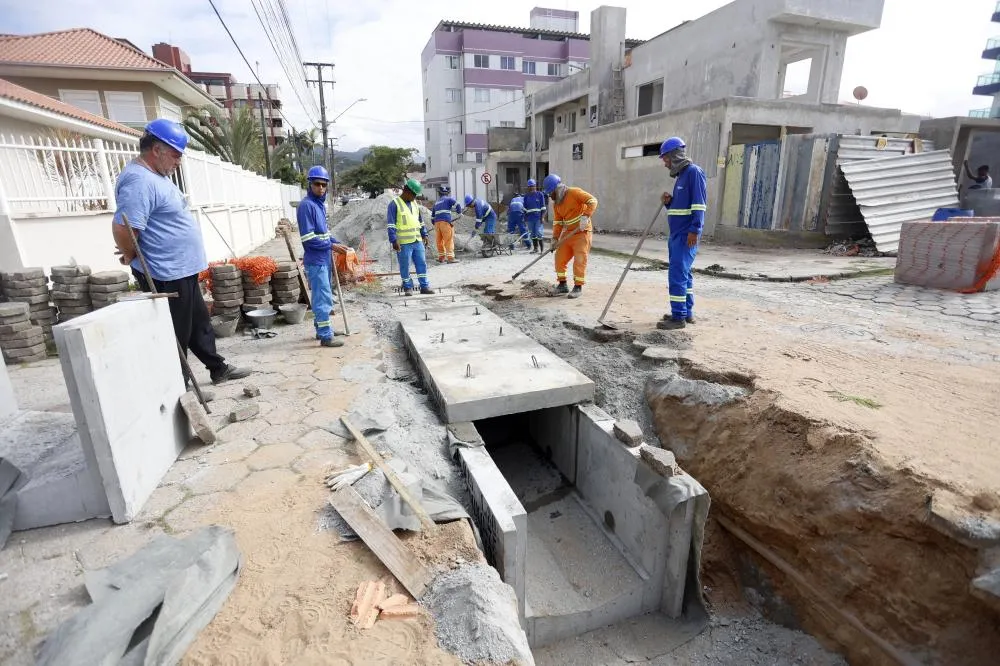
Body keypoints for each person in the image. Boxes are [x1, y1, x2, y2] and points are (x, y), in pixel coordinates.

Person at [112, 119, 250, 385]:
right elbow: (123, 227)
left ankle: (217, 368)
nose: (179, 161)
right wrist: (129, 253)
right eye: (176, 155)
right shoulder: (139, 180)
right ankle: (178, 387)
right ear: (157, 150)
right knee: (176, 332)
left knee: (199, 322)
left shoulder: (156, 176)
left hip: (180, 269)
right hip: (165, 273)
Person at [656, 136, 707, 330]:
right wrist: (669, 203)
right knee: (684, 274)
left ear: (674, 156)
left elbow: (699, 205)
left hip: (686, 235)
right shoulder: (681, 176)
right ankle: (686, 312)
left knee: (677, 274)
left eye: (666, 159)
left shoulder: (694, 173)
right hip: (677, 234)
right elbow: (680, 209)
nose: (665, 164)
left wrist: (695, 230)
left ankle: (678, 318)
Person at [297, 165, 345, 348]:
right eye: (317, 184)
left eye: (324, 185)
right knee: (322, 297)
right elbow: (308, 239)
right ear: (310, 184)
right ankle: (325, 336)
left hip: (324, 258)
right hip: (316, 260)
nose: (321, 188)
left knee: (325, 295)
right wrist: (331, 245)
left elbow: (324, 233)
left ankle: (323, 328)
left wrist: (336, 242)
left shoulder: (319, 205)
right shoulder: (306, 206)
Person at [542, 174, 598, 299]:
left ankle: (578, 287)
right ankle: (562, 285)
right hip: (568, 233)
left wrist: (586, 216)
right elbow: (558, 222)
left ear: (557, 189)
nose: (550, 196)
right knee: (559, 257)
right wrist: (555, 238)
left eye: (550, 193)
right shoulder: (557, 204)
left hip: (582, 232)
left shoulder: (574, 192)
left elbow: (593, 201)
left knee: (579, 259)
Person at [388, 179, 435, 296]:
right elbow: (391, 224)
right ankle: (408, 287)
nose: (415, 197)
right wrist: (393, 240)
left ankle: (424, 286)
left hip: (417, 240)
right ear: (407, 191)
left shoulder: (414, 204)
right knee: (405, 266)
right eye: (414, 194)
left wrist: (424, 234)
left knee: (421, 263)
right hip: (403, 242)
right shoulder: (394, 204)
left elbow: (420, 221)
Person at [432, 185, 462, 263]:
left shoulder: (436, 203)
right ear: (447, 193)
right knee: (448, 239)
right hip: (445, 222)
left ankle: (441, 257)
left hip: (437, 224)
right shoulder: (449, 199)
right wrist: (459, 213)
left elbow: (432, 216)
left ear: (440, 194)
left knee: (439, 240)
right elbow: (458, 204)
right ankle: (450, 258)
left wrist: (434, 223)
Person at [523, 178, 547, 254]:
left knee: (539, 233)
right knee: (533, 234)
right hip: (530, 219)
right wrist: (525, 219)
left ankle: (542, 250)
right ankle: (535, 249)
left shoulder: (540, 195)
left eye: (533, 186)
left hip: (538, 218)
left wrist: (542, 217)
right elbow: (525, 209)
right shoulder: (526, 196)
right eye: (530, 186)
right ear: (528, 187)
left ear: (535, 186)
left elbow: (543, 208)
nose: (531, 188)